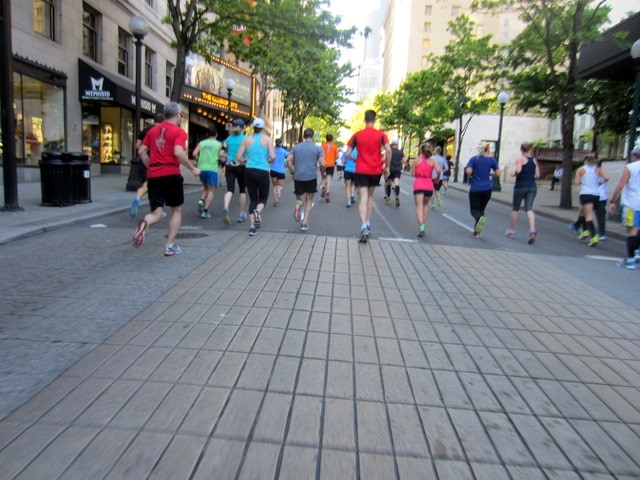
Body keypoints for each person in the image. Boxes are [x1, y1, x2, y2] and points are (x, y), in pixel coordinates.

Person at [133, 102, 200, 256]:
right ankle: (169, 245)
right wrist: (192, 168)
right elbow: (178, 152)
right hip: (171, 174)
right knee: (176, 210)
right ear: (178, 115)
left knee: (156, 214)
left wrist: (151, 166)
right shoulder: (179, 132)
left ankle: (145, 222)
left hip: (154, 175)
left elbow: (142, 150)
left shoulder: (152, 130)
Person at [345, 109, 392, 242]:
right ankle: (368, 223)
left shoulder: (357, 135)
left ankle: (363, 226)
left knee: (363, 197)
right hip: (375, 170)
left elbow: (347, 153)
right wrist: (387, 167)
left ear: (364, 120)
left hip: (361, 169)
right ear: (375, 120)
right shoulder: (381, 135)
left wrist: (356, 160)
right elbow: (388, 150)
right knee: (370, 196)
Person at [236, 118, 275, 236]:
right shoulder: (268, 139)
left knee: (253, 199)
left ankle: (252, 227)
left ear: (253, 127)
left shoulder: (246, 139)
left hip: (249, 171)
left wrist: (245, 160)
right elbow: (273, 157)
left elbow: (238, 158)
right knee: (263, 198)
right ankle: (258, 210)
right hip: (263, 171)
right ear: (262, 128)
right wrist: (269, 160)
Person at [287, 128, 325, 231]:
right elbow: (322, 164)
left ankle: (298, 205)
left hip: (298, 176)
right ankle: (304, 223)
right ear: (313, 136)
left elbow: (288, 160)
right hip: (311, 177)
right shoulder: (317, 148)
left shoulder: (296, 147)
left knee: (300, 199)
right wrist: (323, 174)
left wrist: (292, 170)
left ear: (304, 136)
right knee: (309, 200)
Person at [608, 147, 640, 269]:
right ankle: (637, 252)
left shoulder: (630, 167)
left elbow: (620, 185)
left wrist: (613, 201)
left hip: (633, 203)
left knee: (631, 231)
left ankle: (631, 259)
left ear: (634, 156)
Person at [129, 113, 164, 217]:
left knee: (147, 184)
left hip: (143, 161)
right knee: (155, 186)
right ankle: (157, 209)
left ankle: (137, 198)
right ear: (162, 122)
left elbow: (138, 146)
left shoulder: (145, 130)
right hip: (154, 161)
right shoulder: (160, 131)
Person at [505, 142, 540, 244]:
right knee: (529, 208)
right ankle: (532, 229)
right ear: (530, 150)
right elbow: (537, 175)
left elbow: (518, 170)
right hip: (532, 186)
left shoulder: (520, 159)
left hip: (520, 186)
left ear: (521, 150)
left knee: (515, 208)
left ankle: (512, 231)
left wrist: (513, 173)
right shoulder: (534, 160)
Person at [465, 142, 501, 238]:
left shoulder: (474, 159)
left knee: (474, 210)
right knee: (481, 209)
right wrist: (490, 174)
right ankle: (477, 232)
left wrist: (473, 171)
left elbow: (468, 171)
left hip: (475, 188)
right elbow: (498, 173)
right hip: (487, 188)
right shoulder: (492, 160)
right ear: (487, 149)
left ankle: (479, 220)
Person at [574, 154, 609, 247]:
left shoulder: (581, 169)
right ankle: (584, 231)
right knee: (582, 212)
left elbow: (577, 183)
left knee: (588, 215)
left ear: (585, 161)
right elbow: (607, 177)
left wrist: (582, 181)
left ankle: (593, 237)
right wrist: (600, 182)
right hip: (596, 195)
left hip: (586, 194)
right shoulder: (597, 169)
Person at [221, 119, 248, 224]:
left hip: (230, 165)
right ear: (243, 128)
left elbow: (223, 150)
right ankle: (241, 214)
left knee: (230, 190)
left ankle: (225, 206)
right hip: (241, 165)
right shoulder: (245, 139)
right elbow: (248, 153)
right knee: (242, 190)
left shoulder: (229, 138)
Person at [192, 124, 222, 219]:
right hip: (212, 169)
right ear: (216, 134)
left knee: (205, 187)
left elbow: (194, 153)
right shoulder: (218, 144)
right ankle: (205, 211)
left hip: (202, 168)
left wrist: (198, 161)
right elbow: (220, 156)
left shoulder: (202, 143)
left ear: (207, 134)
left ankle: (201, 200)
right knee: (211, 190)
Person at [412, 142, 441, 238]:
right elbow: (438, 170)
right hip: (429, 185)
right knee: (425, 205)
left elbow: (413, 174)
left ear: (421, 150)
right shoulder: (433, 161)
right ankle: (423, 226)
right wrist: (437, 178)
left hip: (419, 184)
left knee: (419, 206)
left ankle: (421, 228)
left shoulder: (416, 160)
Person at [384, 139, 406, 207]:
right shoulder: (400, 152)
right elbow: (404, 161)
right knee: (397, 183)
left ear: (392, 144)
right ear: (397, 144)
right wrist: (399, 162)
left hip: (390, 169)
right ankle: (397, 196)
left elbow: (384, 159)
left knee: (388, 183)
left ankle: (388, 198)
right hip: (397, 169)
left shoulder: (388, 151)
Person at [320, 133, 338, 202]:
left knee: (323, 177)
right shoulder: (334, 146)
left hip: (323, 164)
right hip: (331, 164)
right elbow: (337, 156)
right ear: (332, 139)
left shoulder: (322, 146)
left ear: (326, 138)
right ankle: (327, 193)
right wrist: (333, 158)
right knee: (329, 179)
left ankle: (323, 187)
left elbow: (319, 155)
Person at [271, 138, 288, 206]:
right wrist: (285, 164)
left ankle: (276, 201)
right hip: (281, 170)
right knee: (281, 186)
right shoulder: (284, 151)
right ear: (281, 143)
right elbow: (288, 158)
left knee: (274, 186)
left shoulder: (272, 150)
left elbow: (269, 158)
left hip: (273, 169)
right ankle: (279, 189)